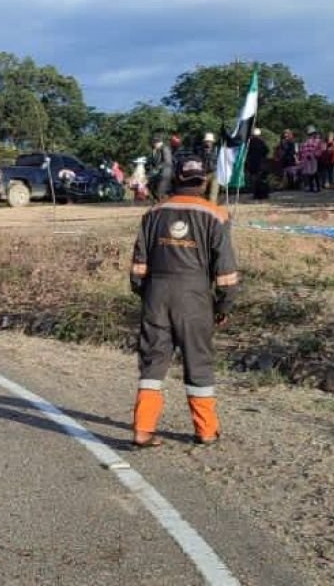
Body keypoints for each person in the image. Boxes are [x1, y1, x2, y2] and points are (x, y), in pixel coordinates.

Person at [128, 154, 239, 448]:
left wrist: (147, 294)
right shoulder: (217, 215)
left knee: (153, 361)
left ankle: (142, 429)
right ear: (204, 180)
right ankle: (205, 431)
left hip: (156, 293)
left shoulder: (153, 213)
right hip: (195, 297)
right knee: (198, 361)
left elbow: (138, 266)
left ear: (176, 178)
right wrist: (224, 305)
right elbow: (225, 270)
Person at [147, 135, 173, 202]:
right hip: (157, 173)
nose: (153, 144)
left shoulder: (165, 149)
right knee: (150, 187)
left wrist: (156, 169)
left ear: (158, 142)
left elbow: (167, 162)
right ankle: (158, 203)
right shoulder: (155, 150)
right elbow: (153, 161)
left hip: (165, 174)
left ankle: (163, 204)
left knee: (160, 192)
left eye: (154, 143)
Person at [245, 127, 270, 200]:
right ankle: (260, 193)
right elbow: (266, 151)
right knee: (260, 178)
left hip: (252, 162)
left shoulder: (250, 142)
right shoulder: (262, 142)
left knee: (253, 178)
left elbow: (247, 152)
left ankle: (255, 193)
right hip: (260, 162)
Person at [300, 127, 323, 193]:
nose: (311, 135)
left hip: (315, 159)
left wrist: (315, 155)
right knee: (309, 173)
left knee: (315, 173)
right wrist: (304, 156)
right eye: (310, 134)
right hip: (307, 159)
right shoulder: (306, 141)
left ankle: (318, 187)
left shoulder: (318, 140)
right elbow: (303, 149)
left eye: (312, 133)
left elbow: (320, 150)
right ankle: (311, 187)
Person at [200, 133, 219, 202]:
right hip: (204, 173)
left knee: (213, 196)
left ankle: (212, 207)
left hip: (215, 173)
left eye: (210, 141)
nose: (208, 143)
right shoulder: (200, 151)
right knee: (201, 192)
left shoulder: (216, 150)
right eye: (207, 141)